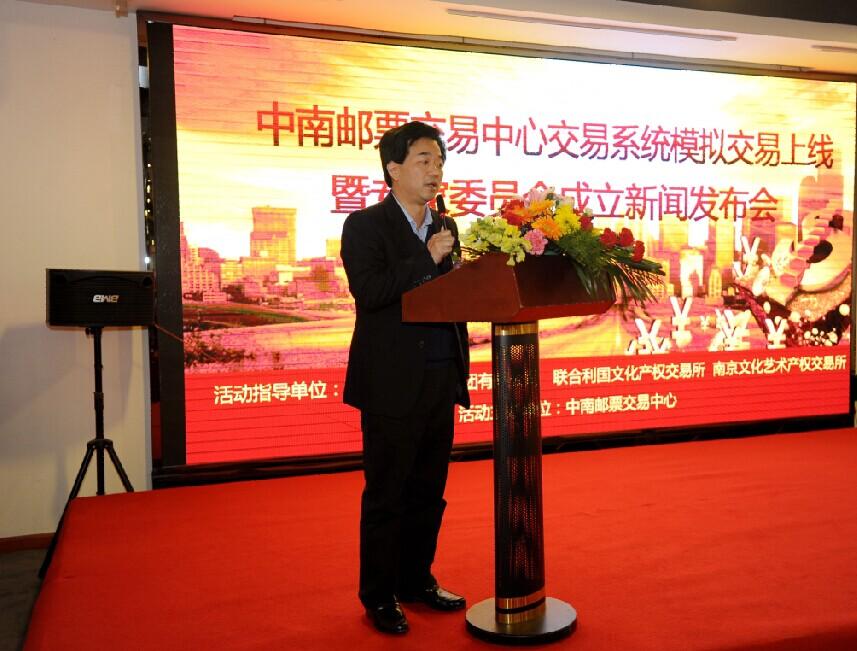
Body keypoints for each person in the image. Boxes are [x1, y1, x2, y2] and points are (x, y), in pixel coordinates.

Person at [340, 121, 471, 635]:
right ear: (393, 169)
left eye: (439, 161)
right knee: (387, 495)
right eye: (424, 160)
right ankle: (379, 595)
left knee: (428, 492)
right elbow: (371, 292)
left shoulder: (447, 225)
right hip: (391, 384)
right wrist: (425, 257)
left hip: (440, 378)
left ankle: (416, 580)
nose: (435, 170)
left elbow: (451, 296)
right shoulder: (365, 226)